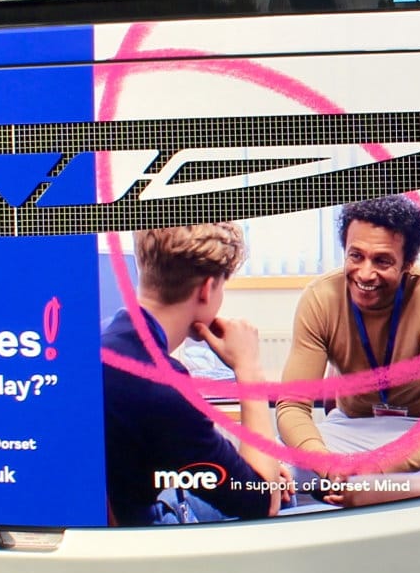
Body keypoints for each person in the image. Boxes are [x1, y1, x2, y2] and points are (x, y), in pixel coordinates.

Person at [275, 194, 420, 502]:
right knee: (271, 475)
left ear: (408, 263)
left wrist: (380, 470)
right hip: (350, 429)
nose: (365, 273)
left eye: (382, 260)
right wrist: (322, 459)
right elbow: (292, 405)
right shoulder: (320, 298)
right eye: (355, 256)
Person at [101, 222, 294, 525]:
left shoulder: (105, 338)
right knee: (283, 496)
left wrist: (245, 470)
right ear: (207, 288)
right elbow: (260, 501)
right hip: (140, 543)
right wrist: (249, 368)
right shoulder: (161, 384)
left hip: (118, 512)